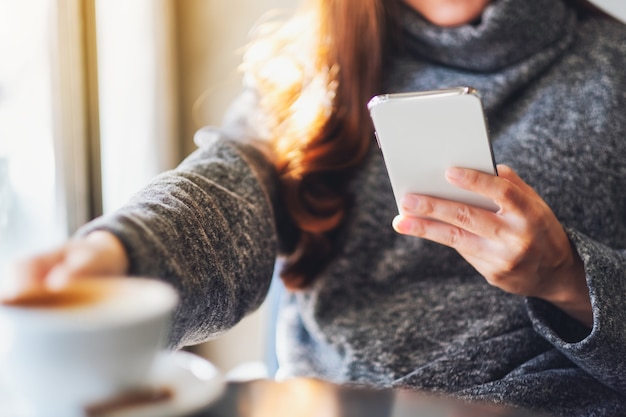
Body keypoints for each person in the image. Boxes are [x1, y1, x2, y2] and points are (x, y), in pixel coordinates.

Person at [6, 0, 626, 415]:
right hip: (328, 401)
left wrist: (569, 279)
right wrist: (113, 256)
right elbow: (224, 195)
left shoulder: (612, 71)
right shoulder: (308, 63)